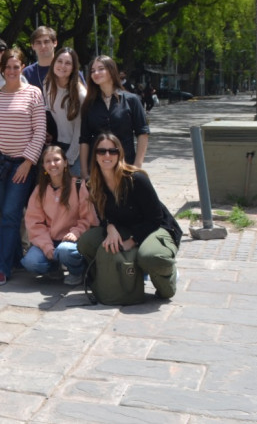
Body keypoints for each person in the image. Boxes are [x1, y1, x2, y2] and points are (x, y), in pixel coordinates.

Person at [77, 132, 181, 299]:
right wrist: (110, 227)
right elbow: (103, 216)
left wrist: (131, 241)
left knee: (150, 257)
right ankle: (107, 281)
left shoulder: (136, 178)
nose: (107, 155)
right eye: (101, 151)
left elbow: (155, 218)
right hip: (123, 227)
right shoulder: (94, 183)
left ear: (120, 154)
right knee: (86, 242)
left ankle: (168, 272)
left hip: (155, 227)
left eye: (113, 151)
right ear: (94, 155)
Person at [0, 47, 46, 286]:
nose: (11, 71)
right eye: (7, 67)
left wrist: (28, 162)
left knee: (10, 215)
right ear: (2, 68)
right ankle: (16, 257)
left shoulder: (33, 93)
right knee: (6, 213)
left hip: (21, 164)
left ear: (22, 68)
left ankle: (1, 266)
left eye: (15, 67)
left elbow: (39, 131)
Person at [20, 145, 97, 285]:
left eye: (57, 160)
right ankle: (54, 268)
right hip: (50, 239)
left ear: (65, 162)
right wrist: (47, 247)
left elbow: (88, 217)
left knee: (65, 250)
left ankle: (77, 271)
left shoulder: (79, 185)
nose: (53, 164)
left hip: (72, 240)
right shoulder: (40, 191)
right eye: (48, 161)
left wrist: (76, 232)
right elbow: (35, 223)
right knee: (31, 262)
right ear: (43, 166)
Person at [80, 55, 150, 175]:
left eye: (101, 69)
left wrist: (137, 167)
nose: (96, 73)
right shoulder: (89, 104)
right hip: (97, 168)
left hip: (126, 166)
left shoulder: (131, 100)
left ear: (111, 70)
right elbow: (84, 140)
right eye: (92, 71)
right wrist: (85, 172)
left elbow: (142, 133)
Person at [45, 47, 87, 177]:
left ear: (74, 68)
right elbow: (49, 110)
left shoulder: (81, 95)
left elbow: (80, 131)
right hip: (57, 146)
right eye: (59, 61)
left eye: (68, 63)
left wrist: (69, 158)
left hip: (76, 150)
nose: (62, 66)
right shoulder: (47, 84)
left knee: (74, 192)